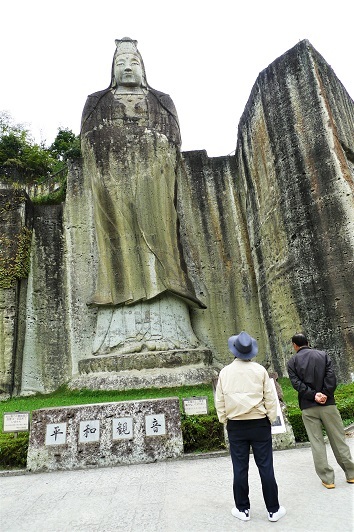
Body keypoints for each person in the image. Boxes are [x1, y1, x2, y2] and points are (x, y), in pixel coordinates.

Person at [81, 37, 205, 355]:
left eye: (133, 63)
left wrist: (149, 143)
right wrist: (120, 146)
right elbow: (90, 143)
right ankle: (118, 332)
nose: (127, 68)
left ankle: (170, 327)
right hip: (114, 185)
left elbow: (173, 139)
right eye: (120, 63)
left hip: (155, 184)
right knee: (118, 245)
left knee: (163, 241)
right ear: (112, 69)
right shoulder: (97, 101)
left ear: (143, 68)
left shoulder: (161, 100)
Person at [215, 331, 286, 522]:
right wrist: (270, 419)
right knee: (266, 467)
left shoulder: (225, 372)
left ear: (234, 351)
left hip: (236, 425)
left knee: (239, 468)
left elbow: (219, 400)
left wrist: (224, 419)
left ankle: (243, 509)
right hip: (259, 423)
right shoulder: (260, 370)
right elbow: (270, 398)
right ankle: (273, 509)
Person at [288, 332, 354, 488]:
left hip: (308, 407)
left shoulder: (292, 362)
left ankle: (328, 479)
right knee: (339, 440)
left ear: (295, 345)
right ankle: (351, 474)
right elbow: (331, 377)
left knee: (317, 443)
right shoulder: (323, 355)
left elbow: (296, 383)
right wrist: (324, 393)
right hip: (328, 405)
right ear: (308, 342)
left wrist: (313, 395)